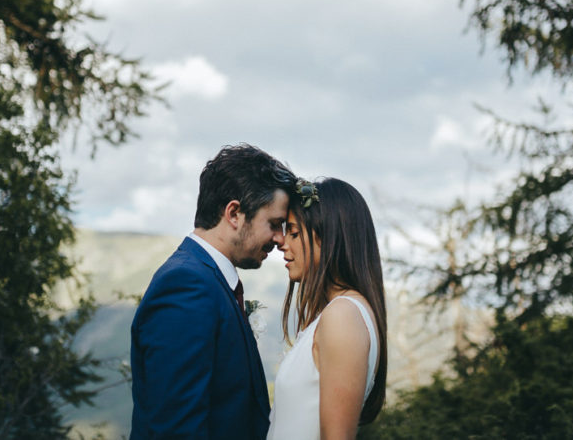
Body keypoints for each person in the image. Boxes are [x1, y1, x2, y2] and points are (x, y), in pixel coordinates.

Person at [129, 144, 296, 440]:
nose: (280, 238)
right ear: (234, 213)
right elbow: (175, 428)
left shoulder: (209, 281)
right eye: (273, 224)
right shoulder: (185, 285)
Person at [267, 177, 388, 440]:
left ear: (329, 236)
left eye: (295, 233)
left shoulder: (343, 316)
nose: (283, 244)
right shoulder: (338, 313)